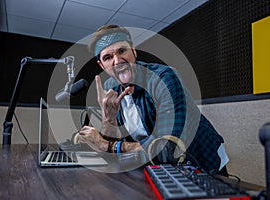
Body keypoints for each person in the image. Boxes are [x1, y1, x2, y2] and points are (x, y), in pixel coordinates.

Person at [78, 24, 229, 175]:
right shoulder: (110, 87)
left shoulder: (164, 79)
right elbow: (110, 144)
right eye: (108, 57)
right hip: (159, 166)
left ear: (134, 51)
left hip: (201, 157)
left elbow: (167, 148)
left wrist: (107, 146)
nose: (117, 61)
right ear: (102, 65)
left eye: (122, 51)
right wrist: (109, 119)